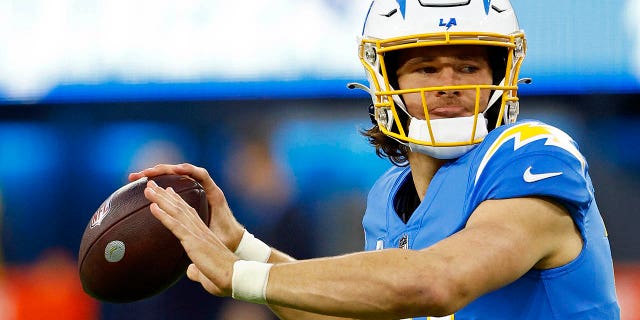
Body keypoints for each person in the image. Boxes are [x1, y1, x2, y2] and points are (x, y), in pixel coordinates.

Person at [128, 1, 621, 318]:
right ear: (387, 84)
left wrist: (239, 276)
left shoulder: (533, 154)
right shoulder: (390, 194)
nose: (449, 83)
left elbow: (439, 281)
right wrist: (244, 249)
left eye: (469, 66)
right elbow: (358, 310)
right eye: (426, 67)